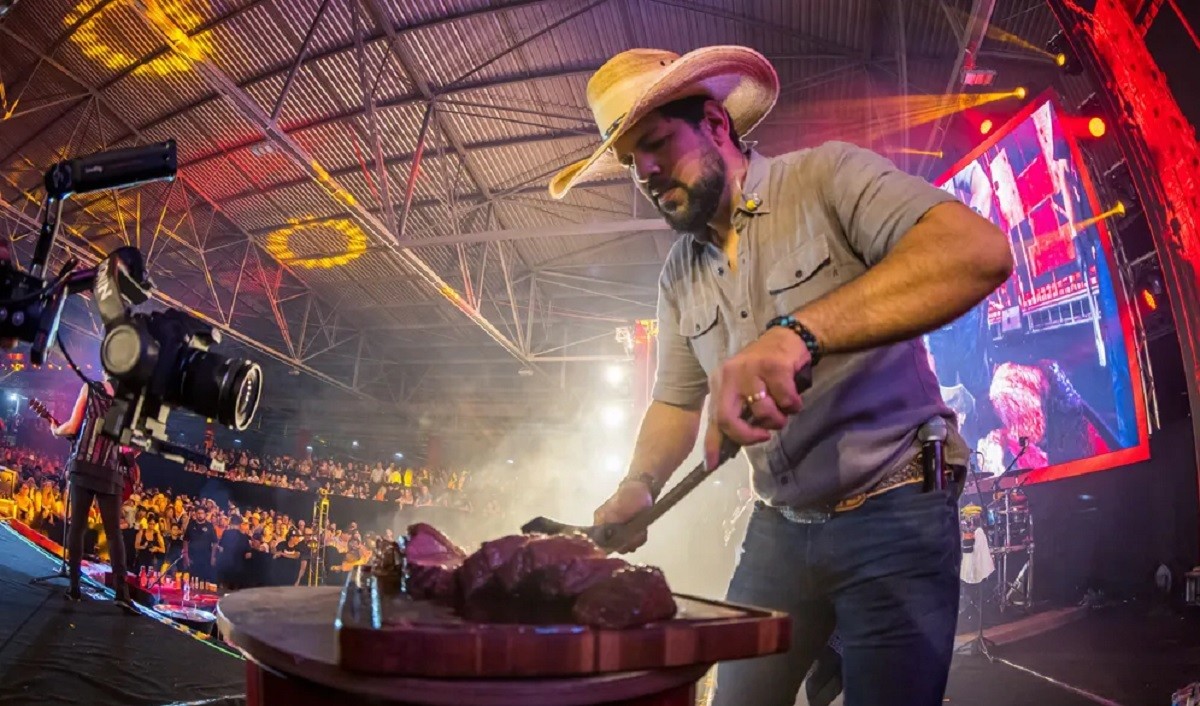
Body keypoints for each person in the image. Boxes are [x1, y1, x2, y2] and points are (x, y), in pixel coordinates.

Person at [555, 47, 1013, 706]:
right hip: (778, 527)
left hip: (895, 508)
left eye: (656, 144)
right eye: (632, 163)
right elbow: (675, 404)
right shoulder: (678, 275)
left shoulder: (827, 176)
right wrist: (639, 484)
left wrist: (795, 334)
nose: (646, 173)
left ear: (715, 123)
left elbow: (976, 252)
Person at [49, 375, 133, 606]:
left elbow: (73, 426)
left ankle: (74, 587)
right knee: (114, 533)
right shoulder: (130, 398)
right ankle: (122, 593)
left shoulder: (91, 388)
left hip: (84, 465)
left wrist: (56, 430)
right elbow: (134, 445)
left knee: (78, 526)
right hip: (110, 471)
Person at [183, 504, 217, 583]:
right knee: (193, 580)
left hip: (206, 557)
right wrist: (186, 555)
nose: (200, 515)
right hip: (192, 557)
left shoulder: (209, 526)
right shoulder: (191, 525)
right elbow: (185, 540)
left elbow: (215, 542)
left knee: (204, 581)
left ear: (205, 514)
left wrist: (213, 557)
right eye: (198, 513)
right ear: (195, 514)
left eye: (202, 513)